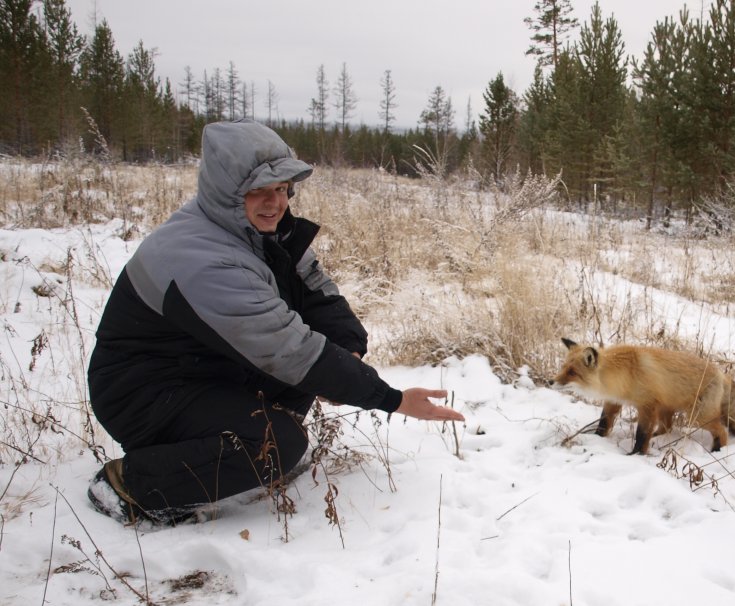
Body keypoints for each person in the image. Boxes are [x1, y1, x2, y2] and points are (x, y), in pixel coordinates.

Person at [86, 119, 464, 525]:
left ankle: (242, 457)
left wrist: (347, 351)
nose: (275, 203)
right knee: (277, 441)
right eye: (259, 191)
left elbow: (317, 293)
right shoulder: (201, 256)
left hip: (199, 369)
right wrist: (391, 399)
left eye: (281, 189)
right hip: (141, 393)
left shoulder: (261, 232)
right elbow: (290, 351)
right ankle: (130, 485)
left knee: (303, 387)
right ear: (227, 192)